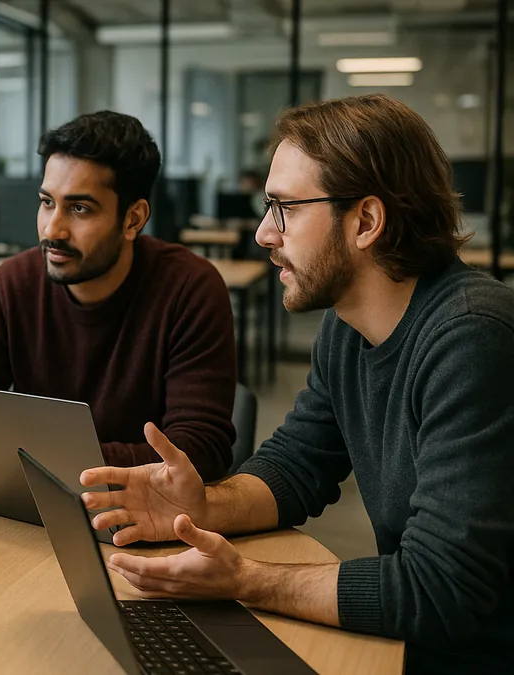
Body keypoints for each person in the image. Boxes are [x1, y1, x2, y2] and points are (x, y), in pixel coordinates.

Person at [80, 94, 514, 673]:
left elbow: (440, 592)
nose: (263, 234)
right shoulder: (347, 326)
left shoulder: (472, 339)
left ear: (366, 221)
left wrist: (246, 581)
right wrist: (205, 506)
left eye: (285, 207)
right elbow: (297, 466)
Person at [0, 111, 237, 480]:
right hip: (32, 512)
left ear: (133, 219)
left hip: (147, 522)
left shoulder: (189, 289)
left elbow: (199, 448)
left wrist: (29, 456)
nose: (52, 229)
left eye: (79, 208)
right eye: (47, 202)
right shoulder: (15, 282)